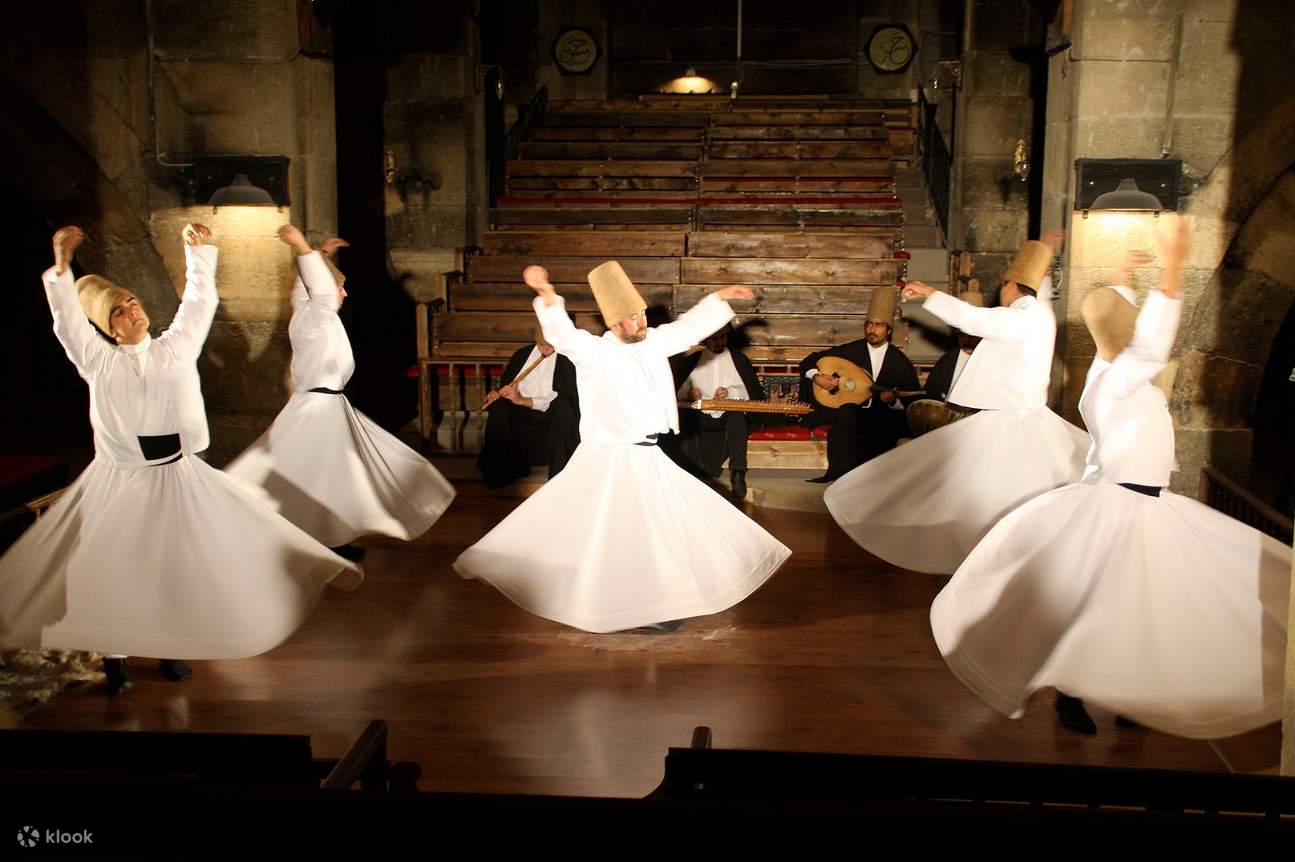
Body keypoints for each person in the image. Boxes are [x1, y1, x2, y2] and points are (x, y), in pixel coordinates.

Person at [930, 216, 1292, 739]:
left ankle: (1128, 695)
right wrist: (1171, 269)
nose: (1138, 331)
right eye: (1130, 322)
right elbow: (1148, 342)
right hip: (1120, 505)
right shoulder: (1121, 376)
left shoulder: (1107, 372)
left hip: (1147, 505)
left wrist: (1122, 273)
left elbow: (1122, 326)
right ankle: (1073, 693)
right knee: (1101, 601)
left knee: (1138, 603)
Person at [0, 225, 361, 695]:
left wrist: (196, 255)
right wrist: (62, 266)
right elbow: (68, 324)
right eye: (121, 311)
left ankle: (169, 646)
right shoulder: (98, 361)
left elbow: (199, 305)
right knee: (118, 565)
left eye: (134, 305)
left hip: (174, 471)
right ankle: (116, 656)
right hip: (122, 476)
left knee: (173, 561)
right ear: (109, 326)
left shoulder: (175, 349)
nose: (133, 312)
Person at [454, 261, 790, 633]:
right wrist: (547, 294)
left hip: (645, 454)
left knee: (663, 527)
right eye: (634, 318)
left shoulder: (654, 342)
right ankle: (630, 608)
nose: (642, 321)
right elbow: (562, 334)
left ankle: (645, 603)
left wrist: (719, 298)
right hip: (612, 456)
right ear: (615, 323)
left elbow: (687, 329)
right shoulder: (594, 351)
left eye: (643, 314)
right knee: (624, 534)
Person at [825, 234, 1090, 574]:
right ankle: (1016, 556)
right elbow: (1039, 293)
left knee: (985, 493)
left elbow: (975, 319)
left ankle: (999, 558)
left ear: (1011, 286)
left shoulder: (1018, 318)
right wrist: (1046, 254)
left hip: (1008, 423)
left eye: (1003, 287)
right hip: (1033, 420)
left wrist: (929, 294)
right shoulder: (1043, 315)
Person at [227, 226, 455, 552]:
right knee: (327, 474)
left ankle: (327, 535)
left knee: (332, 474)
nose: (344, 294)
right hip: (318, 408)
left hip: (326, 405)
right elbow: (317, 289)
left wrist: (319, 253)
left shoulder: (308, 312)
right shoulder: (314, 317)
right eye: (341, 287)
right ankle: (322, 538)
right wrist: (305, 247)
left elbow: (305, 288)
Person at [798, 288, 920, 482]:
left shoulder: (899, 361)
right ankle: (840, 473)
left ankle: (870, 477)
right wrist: (816, 377)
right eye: (869, 325)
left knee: (882, 423)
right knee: (846, 411)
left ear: (888, 330)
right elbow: (809, 361)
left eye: (878, 325)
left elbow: (912, 399)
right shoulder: (852, 350)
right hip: (857, 411)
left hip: (884, 416)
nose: (872, 330)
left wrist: (893, 401)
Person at [474, 329, 580, 489]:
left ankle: (558, 478)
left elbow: (565, 397)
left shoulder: (569, 359)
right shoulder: (522, 354)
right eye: (541, 345)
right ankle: (501, 475)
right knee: (499, 409)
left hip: (551, 414)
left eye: (550, 345)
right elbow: (507, 386)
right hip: (521, 412)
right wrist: (498, 394)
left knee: (563, 407)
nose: (544, 350)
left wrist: (522, 400)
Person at [673, 323, 765, 499]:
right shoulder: (693, 360)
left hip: (728, 413)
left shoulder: (738, 360)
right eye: (715, 338)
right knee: (684, 421)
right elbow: (679, 392)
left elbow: (750, 392)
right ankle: (691, 473)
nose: (719, 342)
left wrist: (729, 392)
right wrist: (689, 393)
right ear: (706, 339)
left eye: (723, 337)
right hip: (701, 414)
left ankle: (738, 473)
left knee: (736, 414)